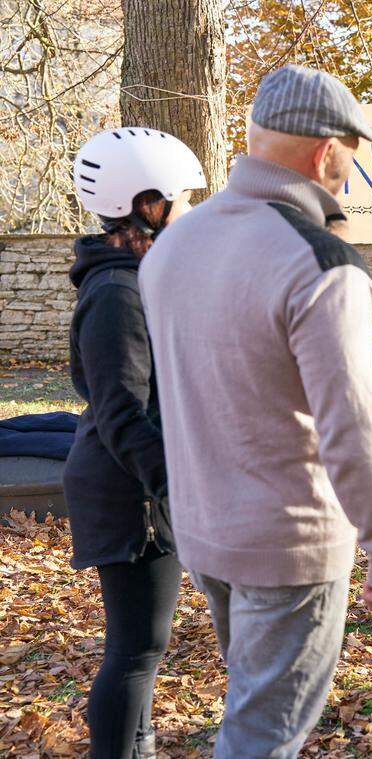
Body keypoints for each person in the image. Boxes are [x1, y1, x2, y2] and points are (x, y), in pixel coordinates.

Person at [139, 64, 372, 756]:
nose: (350, 172)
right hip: (288, 547)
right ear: (326, 153)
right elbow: (351, 424)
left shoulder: (171, 246)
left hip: (206, 533)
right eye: (352, 154)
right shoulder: (321, 266)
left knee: (251, 712)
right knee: (261, 736)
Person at [64, 127, 205, 758]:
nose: (192, 211)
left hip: (139, 485)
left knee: (144, 646)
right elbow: (122, 411)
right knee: (135, 649)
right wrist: (176, 486)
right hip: (131, 493)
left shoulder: (135, 278)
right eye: (183, 198)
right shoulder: (117, 292)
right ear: (147, 204)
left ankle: (139, 747)